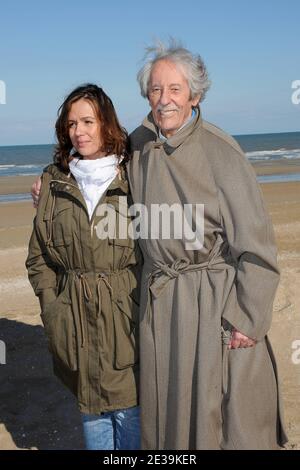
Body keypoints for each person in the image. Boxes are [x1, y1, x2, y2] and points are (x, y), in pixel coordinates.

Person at [31, 41, 288, 450]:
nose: (164, 99)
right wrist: (51, 182)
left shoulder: (223, 154)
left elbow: (257, 246)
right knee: (165, 410)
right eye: (155, 90)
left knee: (218, 411)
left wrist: (248, 317)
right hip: (159, 301)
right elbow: (93, 162)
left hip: (211, 301)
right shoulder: (139, 145)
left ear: (195, 95)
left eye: (174, 89)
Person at [26, 84, 141, 450]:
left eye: (88, 121)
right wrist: (53, 304)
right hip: (73, 318)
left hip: (127, 317)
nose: (80, 131)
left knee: (130, 413)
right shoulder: (54, 182)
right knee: (92, 414)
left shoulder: (135, 177)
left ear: (106, 124)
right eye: (72, 123)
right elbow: (38, 257)